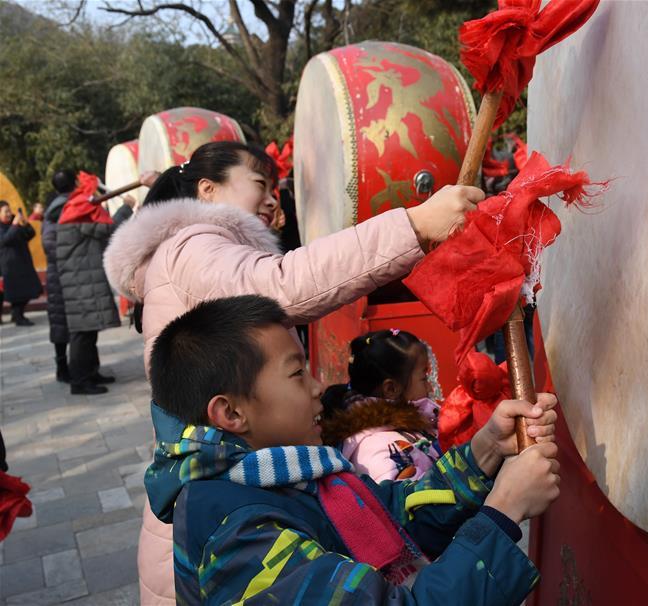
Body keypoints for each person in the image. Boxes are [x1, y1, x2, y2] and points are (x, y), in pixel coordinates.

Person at [102, 140, 482, 604]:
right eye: (259, 183)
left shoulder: (190, 252)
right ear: (207, 188)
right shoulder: (193, 244)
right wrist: (415, 224)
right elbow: (282, 285)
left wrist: (481, 457)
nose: (271, 199)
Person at [147, 295, 560, 604]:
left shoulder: (284, 475)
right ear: (231, 413)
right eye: (296, 374)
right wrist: (503, 510)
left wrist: (485, 452)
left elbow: (392, 512)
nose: (316, 388)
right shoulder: (238, 533)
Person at [321, 329, 442, 481]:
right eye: (424, 378)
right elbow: (415, 501)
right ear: (391, 389)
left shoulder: (412, 424)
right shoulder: (377, 450)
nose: (430, 387)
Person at [56, 173, 135, 395]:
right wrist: (126, 208)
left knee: (88, 331)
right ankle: (80, 381)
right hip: (80, 281)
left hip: (81, 279)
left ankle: (90, 373)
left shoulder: (75, 209)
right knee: (82, 333)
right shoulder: (79, 212)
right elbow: (108, 229)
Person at [42, 170, 76, 382]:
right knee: (61, 323)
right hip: (61, 274)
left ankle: (79, 366)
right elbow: (50, 244)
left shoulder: (59, 207)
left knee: (69, 323)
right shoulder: (60, 209)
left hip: (64, 273)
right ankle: (62, 367)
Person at [0, 201, 42, 326]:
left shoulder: (15, 223)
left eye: (9, 210)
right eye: (5, 211)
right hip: (9, 265)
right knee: (16, 293)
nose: (9, 213)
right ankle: (18, 316)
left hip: (23, 262)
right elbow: (5, 240)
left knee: (28, 290)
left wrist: (25, 223)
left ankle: (17, 314)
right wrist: (14, 225)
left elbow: (30, 234)